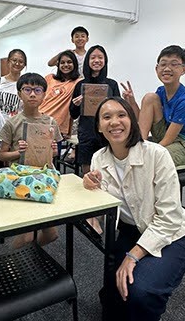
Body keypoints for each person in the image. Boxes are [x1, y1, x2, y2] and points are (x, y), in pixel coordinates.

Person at [84, 98, 185, 320]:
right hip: (132, 228)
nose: (114, 122)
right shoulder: (99, 158)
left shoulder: (156, 154)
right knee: (112, 290)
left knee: (141, 291)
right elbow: (105, 205)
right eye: (106, 117)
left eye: (121, 115)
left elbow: (170, 217)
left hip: (172, 234)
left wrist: (133, 255)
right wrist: (90, 186)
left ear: (132, 120)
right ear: (99, 126)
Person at [0, 72, 62, 248]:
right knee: (27, 237)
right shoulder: (12, 123)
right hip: (22, 182)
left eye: (37, 90)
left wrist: (54, 151)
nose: (32, 94)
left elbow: (52, 155)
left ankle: (29, 255)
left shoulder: (50, 122)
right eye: (27, 89)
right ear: (19, 93)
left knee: (52, 234)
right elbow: (2, 156)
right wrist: (18, 152)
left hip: (44, 180)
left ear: (44, 95)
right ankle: (12, 262)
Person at [124, 45, 185, 166]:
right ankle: (139, 144)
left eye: (174, 64)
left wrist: (149, 153)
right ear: (156, 68)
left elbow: (169, 138)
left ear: (184, 70)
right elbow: (142, 120)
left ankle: (141, 153)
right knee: (149, 97)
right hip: (168, 134)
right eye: (163, 64)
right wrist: (132, 101)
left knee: (152, 160)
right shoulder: (160, 92)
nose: (167, 69)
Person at [69, 44, 120, 232]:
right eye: (93, 58)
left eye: (100, 57)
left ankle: (104, 213)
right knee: (88, 174)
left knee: (107, 175)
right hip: (87, 134)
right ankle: (92, 217)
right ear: (88, 62)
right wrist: (76, 104)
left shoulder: (112, 84)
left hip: (107, 136)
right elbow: (73, 113)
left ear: (105, 61)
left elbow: (119, 110)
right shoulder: (80, 85)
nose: (96, 60)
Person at [39, 50, 82, 138]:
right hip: (38, 122)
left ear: (75, 64)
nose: (66, 65)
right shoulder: (49, 78)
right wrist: (63, 52)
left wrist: (69, 131)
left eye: (69, 62)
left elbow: (73, 107)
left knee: (53, 152)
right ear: (58, 65)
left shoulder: (78, 82)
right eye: (62, 62)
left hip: (57, 128)